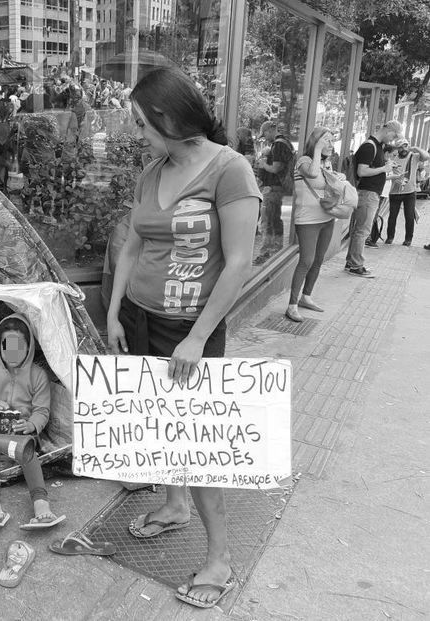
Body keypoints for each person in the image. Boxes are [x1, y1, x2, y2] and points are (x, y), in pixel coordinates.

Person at [105, 65, 260, 609]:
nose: (138, 132)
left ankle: (219, 556)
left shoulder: (229, 170)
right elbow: (131, 246)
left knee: (197, 443)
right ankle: (174, 505)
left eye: (143, 123)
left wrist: (198, 336)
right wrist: (116, 311)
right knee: (160, 427)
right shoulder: (153, 172)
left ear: (168, 119)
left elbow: (239, 261)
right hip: (142, 317)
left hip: (190, 329)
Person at [0, 314, 65, 533]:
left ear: (29, 347)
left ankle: (41, 505)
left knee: (26, 447)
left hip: (23, 430)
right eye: (7, 346)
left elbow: (42, 410)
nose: (12, 353)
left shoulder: (38, 375)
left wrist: (31, 425)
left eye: (18, 347)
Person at [285, 127, 337, 322]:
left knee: (318, 259)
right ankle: (291, 305)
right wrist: (317, 150)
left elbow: (327, 185)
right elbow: (313, 175)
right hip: (307, 220)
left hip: (327, 218)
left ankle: (306, 297)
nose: (330, 145)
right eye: (327, 141)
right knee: (306, 261)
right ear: (316, 142)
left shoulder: (327, 162)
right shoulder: (304, 161)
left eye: (332, 141)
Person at [346, 119, 404, 276]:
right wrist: (384, 168)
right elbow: (362, 171)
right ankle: (356, 265)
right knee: (362, 230)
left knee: (360, 229)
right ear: (389, 131)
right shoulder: (369, 146)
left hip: (369, 193)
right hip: (367, 193)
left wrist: (387, 166)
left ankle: (351, 262)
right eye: (392, 137)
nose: (391, 141)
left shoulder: (376, 146)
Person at [255, 120, 294, 262]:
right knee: (275, 220)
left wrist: (263, 164)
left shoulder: (278, 145)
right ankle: (276, 249)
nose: (264, 138)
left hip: (273, 188)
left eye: (264, 134)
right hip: (280, 188)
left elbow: (276, 168)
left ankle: (265, 253)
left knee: (267, 222)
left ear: (270, 131)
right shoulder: (286, 143)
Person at [385, 139, 430, 246]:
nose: (404, 149)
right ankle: (390, 237)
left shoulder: (414, 156)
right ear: (397, 148)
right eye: (401, 147)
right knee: (392, 216)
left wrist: (415, 148)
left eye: (405, 146)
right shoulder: (393, 157)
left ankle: (408, 239)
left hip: (410, 192)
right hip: (395, 192)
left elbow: (427, 156)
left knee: (409, 216)